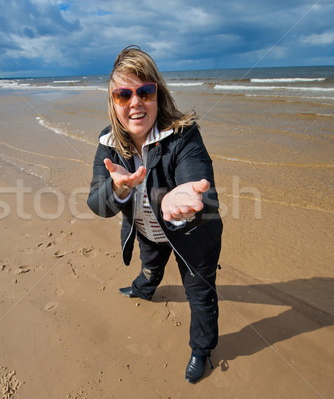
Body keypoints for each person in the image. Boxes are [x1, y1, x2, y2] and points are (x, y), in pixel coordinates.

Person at [87, 46, 223, 383]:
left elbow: (201, 188)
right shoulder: (108, 143)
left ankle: (202, 348)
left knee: (200, 295)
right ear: (113, 101)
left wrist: (183, 201)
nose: (135, 103)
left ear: (157, 95)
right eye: (123, 94)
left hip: (192, 236)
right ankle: (145, 288)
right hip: (147, 231)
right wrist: (117, 188)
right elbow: (97, 203)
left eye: (145, 91)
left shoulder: (184, 135)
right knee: (150, 268)